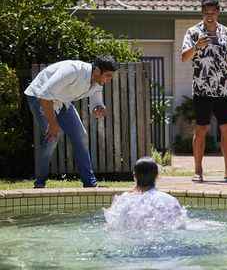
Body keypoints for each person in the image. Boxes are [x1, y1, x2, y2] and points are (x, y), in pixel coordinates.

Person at [25, 56, 119, 188]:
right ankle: (39, 183)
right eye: (108, 76)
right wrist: (53, 125)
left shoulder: (97, 81)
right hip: (38, 96)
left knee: (81, 135)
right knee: (52, 137)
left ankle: (90, 183)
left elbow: (96, 101)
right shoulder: (72, 71)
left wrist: (98, 108)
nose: (109, 80)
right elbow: (44, 96)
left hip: (62, 100)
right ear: (97, 70)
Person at [181, 0, 227, 183]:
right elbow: (184, 57)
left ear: (218, 12)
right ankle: (198, 171)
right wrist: (197, 47)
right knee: (201, 129)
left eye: (212, 13)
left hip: (224, 89)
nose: (209, 16)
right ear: (202, 13)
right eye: (206, 13)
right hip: (202, 89)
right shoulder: (193, 32)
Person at [104, 157, 186, 231]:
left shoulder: (123, 200)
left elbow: (111, 227)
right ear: (157, 176)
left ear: (134, 176)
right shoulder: (169, 200)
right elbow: (180, 226)